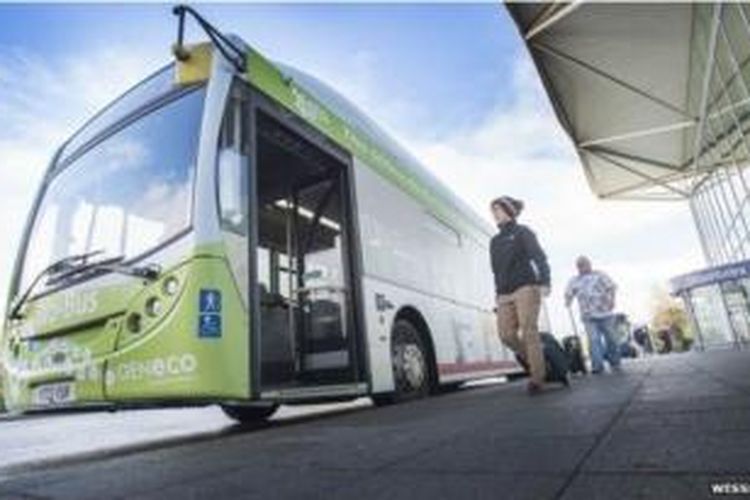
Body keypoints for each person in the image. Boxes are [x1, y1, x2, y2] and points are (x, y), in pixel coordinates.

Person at [489, 196, 551, 395]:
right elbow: (496, 271)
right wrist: (497, 295)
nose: (495, 214)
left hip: (526, 287)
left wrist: (545, 282)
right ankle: (539, 362)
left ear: (509, 211)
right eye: (493, 211)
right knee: (506, 335)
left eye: (498, 210)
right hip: (504, 293)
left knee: (528, 330)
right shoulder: (494, 241)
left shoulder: (523, 232)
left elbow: (539, 257)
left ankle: (537, 378)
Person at [564, 256, 621, 374]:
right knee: (594, 340)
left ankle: (615, 362)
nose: (582, 267)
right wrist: (568, 300)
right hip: (588, 315)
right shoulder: (574, 280)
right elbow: (569, 292)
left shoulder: (600, 275)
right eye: (579, 265)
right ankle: (597, 366)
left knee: (611, 338)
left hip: (605, 312)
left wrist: (612, 300)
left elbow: (611, 287)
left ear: (590, 264)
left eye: (584, 264)